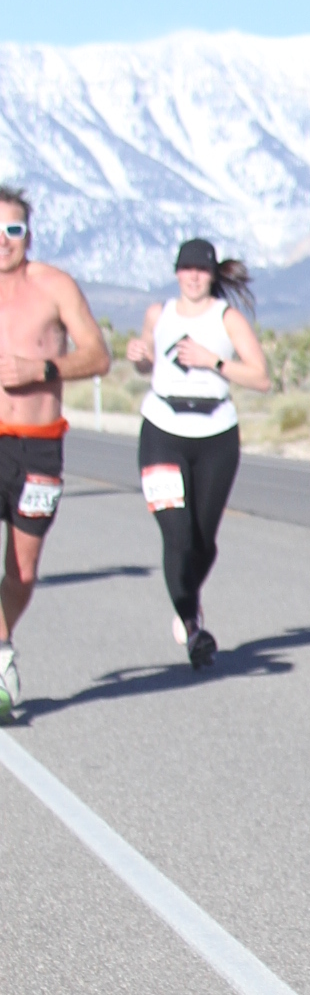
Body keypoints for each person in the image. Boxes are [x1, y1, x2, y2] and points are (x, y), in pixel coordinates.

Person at [124, 239, 270, 667]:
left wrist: (214, 361)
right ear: (176, 272)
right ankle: (192, 628)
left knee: (203, 541)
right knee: (178, 533)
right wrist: (139, 357)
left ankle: (186, 598)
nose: (193, 276)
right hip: (162, 429)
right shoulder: (159, 313)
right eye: (186, 268)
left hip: (216, 434)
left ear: (212, 275)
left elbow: (261, 378)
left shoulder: (227, 319)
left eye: (201, 270)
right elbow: (147, 363)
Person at [0, 183, 112, 720]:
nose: (3, 240)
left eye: (13, 229)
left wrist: (40, 368)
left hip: (39, 448)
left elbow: (98, 357)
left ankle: (1, 648)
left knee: (22, 570)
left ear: (29, 234)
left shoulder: (54, 286)